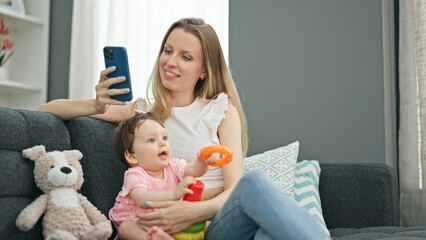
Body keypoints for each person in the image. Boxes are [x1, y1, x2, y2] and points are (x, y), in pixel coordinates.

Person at [38, 17, 330, 239]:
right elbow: (44, 111)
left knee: (254, 194)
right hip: (183, 230)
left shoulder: (220, 110)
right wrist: (96, 105)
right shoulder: (145, 113)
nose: (170, 62)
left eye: (186, 57)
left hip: (214, 219)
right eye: (168, 50)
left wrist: (197, 208)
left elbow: (234, 188)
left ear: (204, 70)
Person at [109, 112, 217, 240]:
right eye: (152, 140)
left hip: (169, 221)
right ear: (132, 156)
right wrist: (173, 194)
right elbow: (142, 199)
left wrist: (202, 162)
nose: (162, 143)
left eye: (164, 137)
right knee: (126, 228)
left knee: (209, 224)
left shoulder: (173, 165)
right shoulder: (135, 175)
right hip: (141, 223)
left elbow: (194, 170)